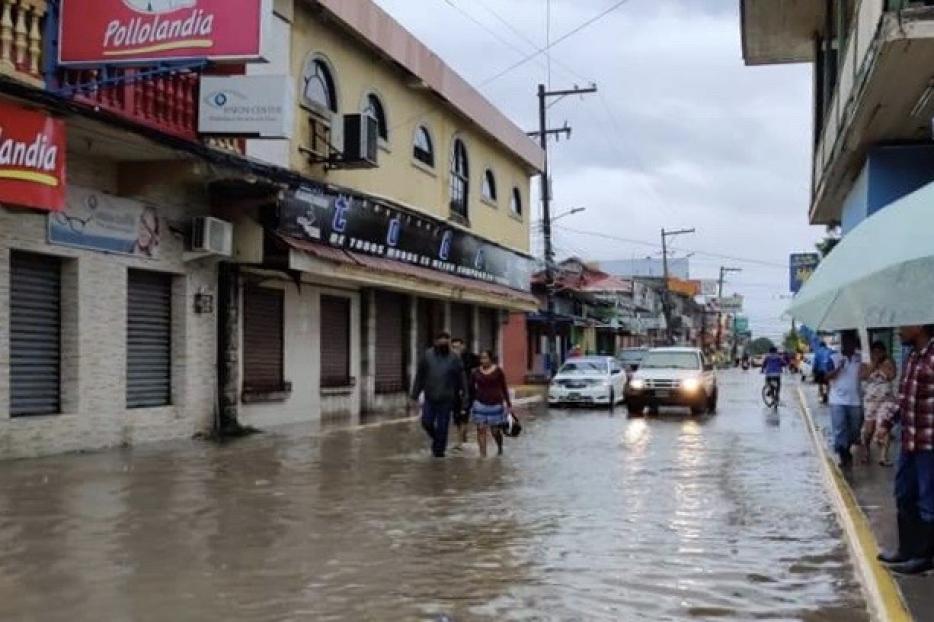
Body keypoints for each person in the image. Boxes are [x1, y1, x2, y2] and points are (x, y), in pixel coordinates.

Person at [877, 325, 934, 575]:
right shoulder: (912, 358)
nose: (898, 330)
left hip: (929, 445)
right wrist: (887, 423)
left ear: (920, 327)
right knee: (903, 494)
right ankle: (907, 549)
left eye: (904, 325)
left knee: (928, 501)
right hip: (909, 442)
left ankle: (925, 556)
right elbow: (904, 399)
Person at [410, 331, 467, 458]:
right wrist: (414, 396)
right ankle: (438, 441)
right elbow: (420, 376)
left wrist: (465, 395)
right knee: (426, 422)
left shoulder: (455, 358)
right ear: (435, 342)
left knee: (443, 427)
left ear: (448, 343)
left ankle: (439, 453)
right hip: (430, 397)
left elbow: (462, 378)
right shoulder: (427, 355)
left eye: (445, 341)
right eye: (440, 341)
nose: (442, 344)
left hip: (446, 399)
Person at [826, 331, 863, 469]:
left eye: (852, 342)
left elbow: (866, 372)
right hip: (837, 401)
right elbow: (826, 376)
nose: (850, 345)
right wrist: (838, 368)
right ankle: (843, 454)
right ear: (843, 342)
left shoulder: (860, 358)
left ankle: (846, 448)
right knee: (840, 429)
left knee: (854, 430)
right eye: (847, 342)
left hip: (855, 401)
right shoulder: (834, 357)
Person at [860, 341, 897, 466]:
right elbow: (863, 375)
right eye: (874, 352)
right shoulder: (866, 362)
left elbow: (891, 375)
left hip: (885, 400)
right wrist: (874, 363)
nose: (877, 354)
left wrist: (881, 365)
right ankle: (866, 451)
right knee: (868, 430)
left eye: (879, 352)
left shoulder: (889, 361)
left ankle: (883, 457)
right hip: (870, 400)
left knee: (884, 426)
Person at [469, 350, 512, 457]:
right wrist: (470, 402)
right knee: (481, 429)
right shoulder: (475, 372)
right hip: (480, 404)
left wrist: (508, 404)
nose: (483, 360)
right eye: (481, 358)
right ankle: (483, 455)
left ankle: (500, 448)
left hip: (496, 404)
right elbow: (471, 388)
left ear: (491, 359)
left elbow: (504, 387)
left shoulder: (498, 371)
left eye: (485, 358)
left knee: (495, 431)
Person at [450, 337, 478, 448]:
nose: (455, 349)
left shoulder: (470, 357)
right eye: (453, 347)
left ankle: (459, 442)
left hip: (468, 392)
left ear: (463, 346)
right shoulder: (450, 359)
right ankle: (463, 438)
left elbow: (483, 364)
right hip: (454, 391)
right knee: (456, 417)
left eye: (457, 347)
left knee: (464, 414)